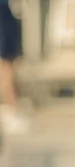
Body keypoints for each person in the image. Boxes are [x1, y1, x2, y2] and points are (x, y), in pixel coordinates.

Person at [0, 0, 28, 134]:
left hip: (7, 9)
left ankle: (11, 108)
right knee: (6, 62)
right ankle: (10, 109)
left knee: (9, 60)